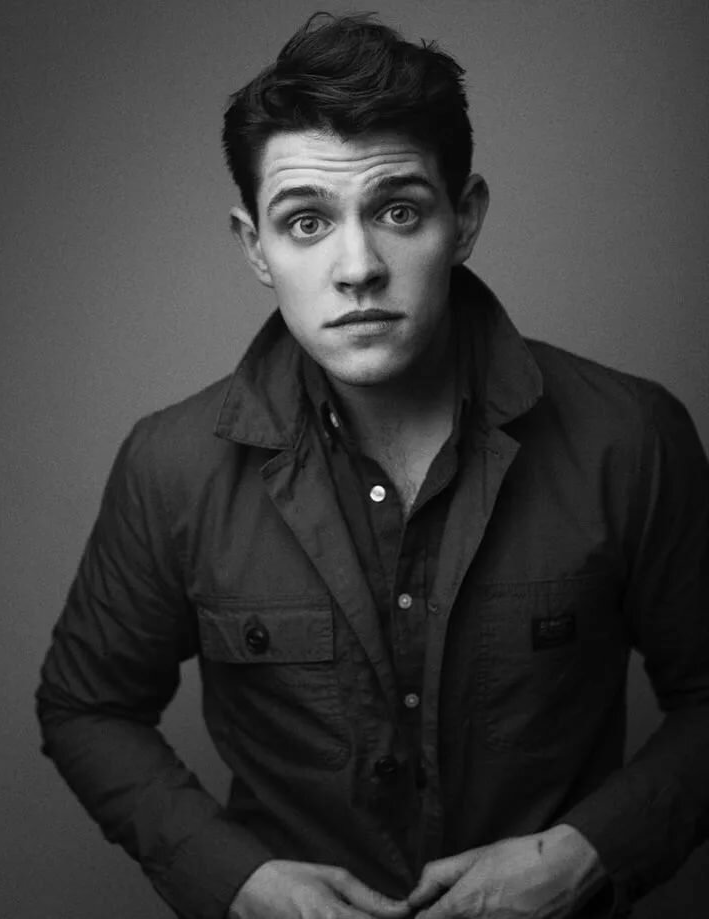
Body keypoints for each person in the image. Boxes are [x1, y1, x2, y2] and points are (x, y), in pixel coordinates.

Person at [36, 12, 709, 919]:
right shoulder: (172, 466)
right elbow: (86, 706)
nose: (357, 267)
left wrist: (589, 853)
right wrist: (233, 880)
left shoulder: (629, 437)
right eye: (306, 221)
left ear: (463, 218)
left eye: (398, 211)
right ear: (255, 247)